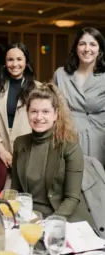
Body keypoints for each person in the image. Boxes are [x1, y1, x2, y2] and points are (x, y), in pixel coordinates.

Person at [11, 82, 94, 225]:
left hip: (61, 218)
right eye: (34, 111)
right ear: (28, 113)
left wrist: (50, 222)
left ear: (55, 114)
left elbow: (72, 198)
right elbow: (15, 190)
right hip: (28, 217)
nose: (39, 117)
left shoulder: (69, 146)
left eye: (45, 111)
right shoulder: (20, 143)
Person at [0, 42, 40, 191]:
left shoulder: (38, 88)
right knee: (0, 196)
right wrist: (1, 149)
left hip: (29, 152)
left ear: (26, 62)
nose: (15, 64)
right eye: (10, 60)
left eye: (19, 59)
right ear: (5, 63)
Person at [54, 27, 105, 166]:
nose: (87, 48)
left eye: (93, 44)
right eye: (82, 44)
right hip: (68, 137)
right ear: (76, 48)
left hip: (99, 140)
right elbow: (53, 107)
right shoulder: (61, 74)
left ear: (99, 50)